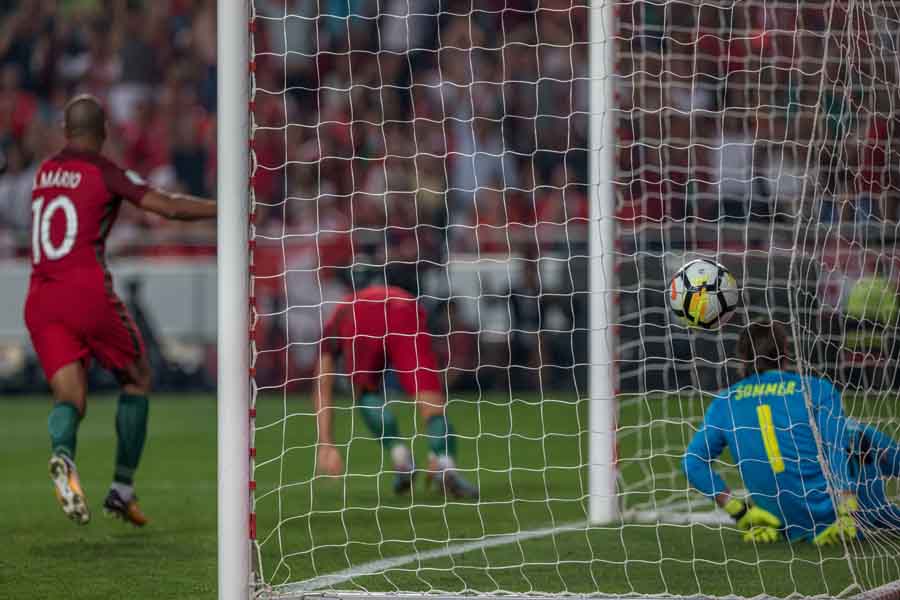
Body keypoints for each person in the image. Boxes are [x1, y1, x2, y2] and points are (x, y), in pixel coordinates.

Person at [25, 95, 217, 526]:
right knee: (138, 377)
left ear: (65, 130)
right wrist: (225, 208)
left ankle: (62, 457)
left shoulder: (44, 173)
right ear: (103, 131)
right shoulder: (103, 171)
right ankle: (121, 489)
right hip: (86, 292)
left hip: (40, 297)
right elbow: (165, 206)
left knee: (70, 398)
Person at [683, 321, 900, 544]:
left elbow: (692, 463)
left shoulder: (725, 401)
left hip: (779, 522)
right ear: (786, 351)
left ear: (741, 357)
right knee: (853, 431)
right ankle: (868, 510)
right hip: (834, 517)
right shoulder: (814, 388)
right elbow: (835, 447)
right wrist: (847, 511)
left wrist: (740, 511)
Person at [313, 283, 479, 499]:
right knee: (431, 401)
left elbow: (322, 386)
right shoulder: (348, 309)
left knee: (365, 390)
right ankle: (444, 464)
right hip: (405, 308)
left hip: (359, 315)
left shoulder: (337, 317)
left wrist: (326, 443)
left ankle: (401, 458)